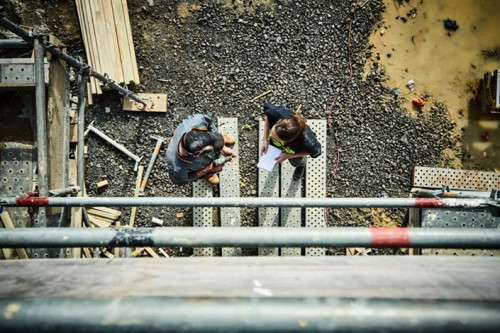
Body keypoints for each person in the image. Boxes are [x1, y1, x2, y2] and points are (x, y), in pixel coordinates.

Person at [166, 114, 236, 186]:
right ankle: (208, 175)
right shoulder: (178, 169)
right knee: (209, 175)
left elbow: (210, 123)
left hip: (208, 139)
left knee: (223, 140)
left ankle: (221, 138)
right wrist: (208, 169)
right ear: (197, 154)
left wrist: (221, 146)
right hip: (201, 167)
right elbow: (181, 181)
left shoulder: (198, 120)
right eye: (210, 148)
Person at [261, 103, 321, 180]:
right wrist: (265, 140)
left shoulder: (308, 143)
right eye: (272, 132)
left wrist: (288, 156)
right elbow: (268, 118)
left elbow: (311, 152)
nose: (270, 136)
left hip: (292, 151)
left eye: (274, 137)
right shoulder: (275, 113)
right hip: (280, 146)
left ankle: (301, 165)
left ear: (288, 140)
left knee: (296, 163)